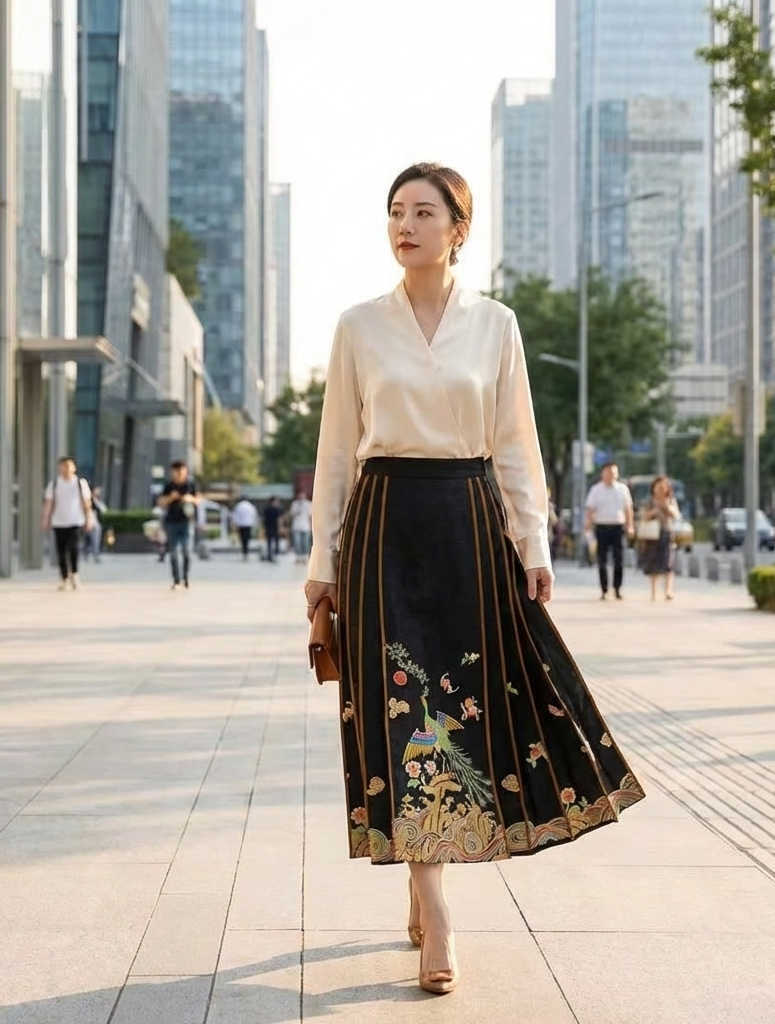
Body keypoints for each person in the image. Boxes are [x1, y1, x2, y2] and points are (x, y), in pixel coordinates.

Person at [304, 163, 644, 996]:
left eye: (424, 212)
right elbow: (338, 454)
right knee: (399, 707)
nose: (405, 224)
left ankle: (428, 875)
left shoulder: (496, 325)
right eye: (394, 212)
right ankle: (434, 897)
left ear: (459, 227)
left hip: (468, 521)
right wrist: (324, 566)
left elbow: (516, 441)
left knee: (462, 708)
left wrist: (534, 545)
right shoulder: (358, 326)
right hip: (384, 528)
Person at [584, 462, 635, 600]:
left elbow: (628, 509)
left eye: (613, 472)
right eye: (608, 472)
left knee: (619, 559)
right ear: (603, 473)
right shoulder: (596, 490)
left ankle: (617, 588)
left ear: (617, 474)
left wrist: (630, 526)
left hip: (618, 527)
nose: (611, 475)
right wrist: (588, 525)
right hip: (601, 527)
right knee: (602, 560)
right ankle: (604, 589)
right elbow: (590, 509)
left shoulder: (622, 489)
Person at [42, 456, 93, 590]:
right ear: (59, 468)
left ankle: (75, 575)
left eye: (69, 466)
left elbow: (86, 503)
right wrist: (46, 519)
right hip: (59, 522)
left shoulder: (80, 483)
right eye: (63, 466)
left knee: (74, 549)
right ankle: (64, 578)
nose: (66, 469)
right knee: (61, 551)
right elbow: (49, 503)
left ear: (74, 468)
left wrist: (89, 518)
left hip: (75, 520)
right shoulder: (54, 484)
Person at [158, 461, 199, 589]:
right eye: (177, 472)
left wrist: (190, 499)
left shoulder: (190, 484)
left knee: (187, 551)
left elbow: (198, 500)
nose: (180, 475)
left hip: (186, 522)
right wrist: (171, 497)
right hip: (172, 522)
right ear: (173, 473)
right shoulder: (168, 486)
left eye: (183, 472)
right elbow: (161, 503)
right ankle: (176, 580)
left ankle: (185, 577)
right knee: (173, 552)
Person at [639, 476, 680, 601]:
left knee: (668, 562)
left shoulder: (670, 500)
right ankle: (653, 591)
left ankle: (668, 590)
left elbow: (676, 515)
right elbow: (644, 516)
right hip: (652, 535)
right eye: (659, 486)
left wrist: (666, 507)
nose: (661, 489)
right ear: (654, 488)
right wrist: (654, 511)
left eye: (664, 486)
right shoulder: (649, 501)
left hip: (667, 532)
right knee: (653, 563)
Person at [288, 490, 313, 565]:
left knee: (305, 543)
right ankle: (298, 557)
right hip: (296, 526)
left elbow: (311, 515)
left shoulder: (308, 504)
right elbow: (291, 513)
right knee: (297, 543)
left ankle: (304, 557)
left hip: (305, 526)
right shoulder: (295, 504)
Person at [84, 487, 107, 563]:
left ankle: (95, 554)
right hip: (88, 522)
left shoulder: (98, 502)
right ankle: (86, 553)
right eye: (96, 491)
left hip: (96, 523)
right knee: (88, 539)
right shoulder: (88, 500)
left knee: (96, 540)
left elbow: (104, 509)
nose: (98, 493)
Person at [231, 496, 259, 560]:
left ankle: (244, 550)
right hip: (248, 524)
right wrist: (255, 523)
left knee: (242, 538)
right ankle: (246, 551)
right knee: (247, 538)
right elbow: (254, 515)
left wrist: (235, 523)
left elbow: (235, 515)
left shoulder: (238, 506)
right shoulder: (250, 506)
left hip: (241, 524)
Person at [262, 497, 283, 562]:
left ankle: (273, 554)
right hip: (271, 527)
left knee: (274, 541)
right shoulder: (271, 509)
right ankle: (271, 555)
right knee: (271, 541)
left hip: (272, 527)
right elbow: (279, 519)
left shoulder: (274, 509)